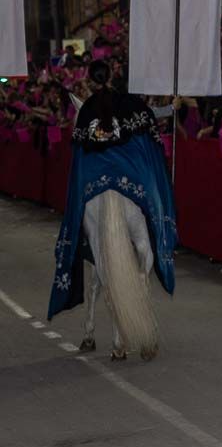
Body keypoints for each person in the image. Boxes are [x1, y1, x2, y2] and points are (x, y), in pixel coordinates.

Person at [47, 60, 176, 360]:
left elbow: (79, 152)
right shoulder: (129, 102)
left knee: (79, 206)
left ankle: (117, 338)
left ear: (90, 82)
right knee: (151, 198)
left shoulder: (87, 109)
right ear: (113, 77)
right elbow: (149, 120)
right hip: (127, 178)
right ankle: (151, 260)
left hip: (96, 184)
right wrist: (171, 108)